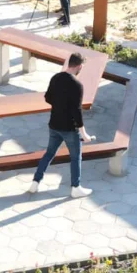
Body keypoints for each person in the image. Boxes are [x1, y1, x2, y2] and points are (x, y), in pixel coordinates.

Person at [28, 53, 93, 198]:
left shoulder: (55, 78)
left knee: (49, 153)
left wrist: (59, 105)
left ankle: (35, 182)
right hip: (69, 129)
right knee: (76, 157)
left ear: (69, 63)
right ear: (79, 66)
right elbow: (77, 111)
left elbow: (48, 97)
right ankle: (76, 187)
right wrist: (84, 133)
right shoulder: (77, 85)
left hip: (54, 125)